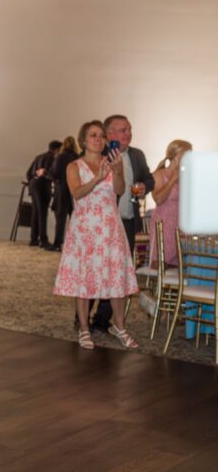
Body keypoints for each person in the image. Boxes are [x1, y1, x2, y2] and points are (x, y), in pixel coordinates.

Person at [53, 120, 139, 350]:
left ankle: (119, 326)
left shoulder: (111, 162)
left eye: (101, 135)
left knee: (116, 277)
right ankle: (84, 328)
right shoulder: (74, 166)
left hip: (110, 227)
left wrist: (117, 171)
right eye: (93, 135)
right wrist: (97, 179)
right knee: (84, 278)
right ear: (83, 140)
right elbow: (77, 193)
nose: (98, 139)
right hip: (85, 230)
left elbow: (120, 190)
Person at [89, 114, 155, 331]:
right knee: (96, 270)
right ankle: (83, 316)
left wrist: (145, 186)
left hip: (127, 222)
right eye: (123, 130)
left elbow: (149, 178)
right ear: (109, 134)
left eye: (129, 129)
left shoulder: (137, 155)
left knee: (117, 272)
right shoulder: (99, 155)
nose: (129, 133)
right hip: (102, 224)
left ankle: (102, 319)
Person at [149, 139, 192, 267]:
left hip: (180, 227)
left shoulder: (187, 177)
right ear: (175, 156)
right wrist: (172, 179)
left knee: (181, 267)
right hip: (163, 226)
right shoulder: (159, 175)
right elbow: (158, 199)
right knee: (162, 265)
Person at [26, 141, 60, 249]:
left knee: (36, 212)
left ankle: (33, 239)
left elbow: (28, 173)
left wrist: (33, 180)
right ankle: (43, 240)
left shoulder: (38, 157)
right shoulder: (52, 158)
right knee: (42, 212)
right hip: (43, 186)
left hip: (33, 185)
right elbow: (51, 175)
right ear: (56, 149)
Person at [49, 136, 80, 251]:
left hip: (61, 190)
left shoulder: (60, 157)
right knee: (75, 218)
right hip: (75, 190)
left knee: (60, 219)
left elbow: (54, 173)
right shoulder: (78, 157)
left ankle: (58, 243)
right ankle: (75, 244)